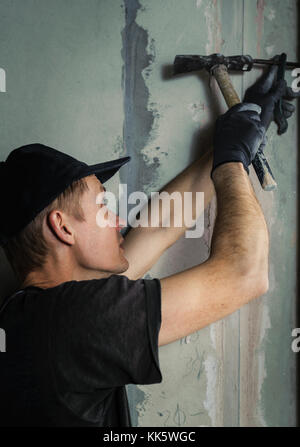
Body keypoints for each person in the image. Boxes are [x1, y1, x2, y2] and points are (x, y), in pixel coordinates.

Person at [0, 64, 297, 427]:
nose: (119, 221)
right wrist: (233, 160)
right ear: (62, 228)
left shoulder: (30, 316)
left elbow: (160, 226)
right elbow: (244, 273)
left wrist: (246, 130)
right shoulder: (73, 322)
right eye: (102, 207)